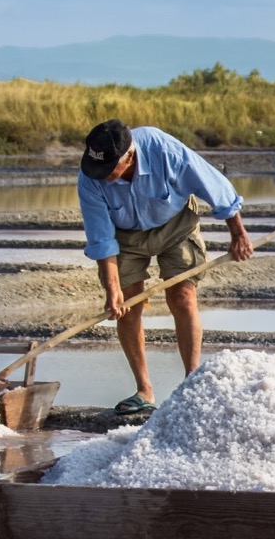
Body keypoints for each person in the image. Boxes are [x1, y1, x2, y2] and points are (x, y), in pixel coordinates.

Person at [76, 119, 254, 414]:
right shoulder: (91, 178)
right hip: (126, 236)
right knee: (128, 305)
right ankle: (144, 390)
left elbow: (213, 185)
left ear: (129, 156)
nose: (102, 177)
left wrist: (238, 233)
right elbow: (101, 239)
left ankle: (191, 381)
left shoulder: (165, 151)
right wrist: (112, 290)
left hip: (175, 225)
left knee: (182, 296)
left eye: (109, 170)